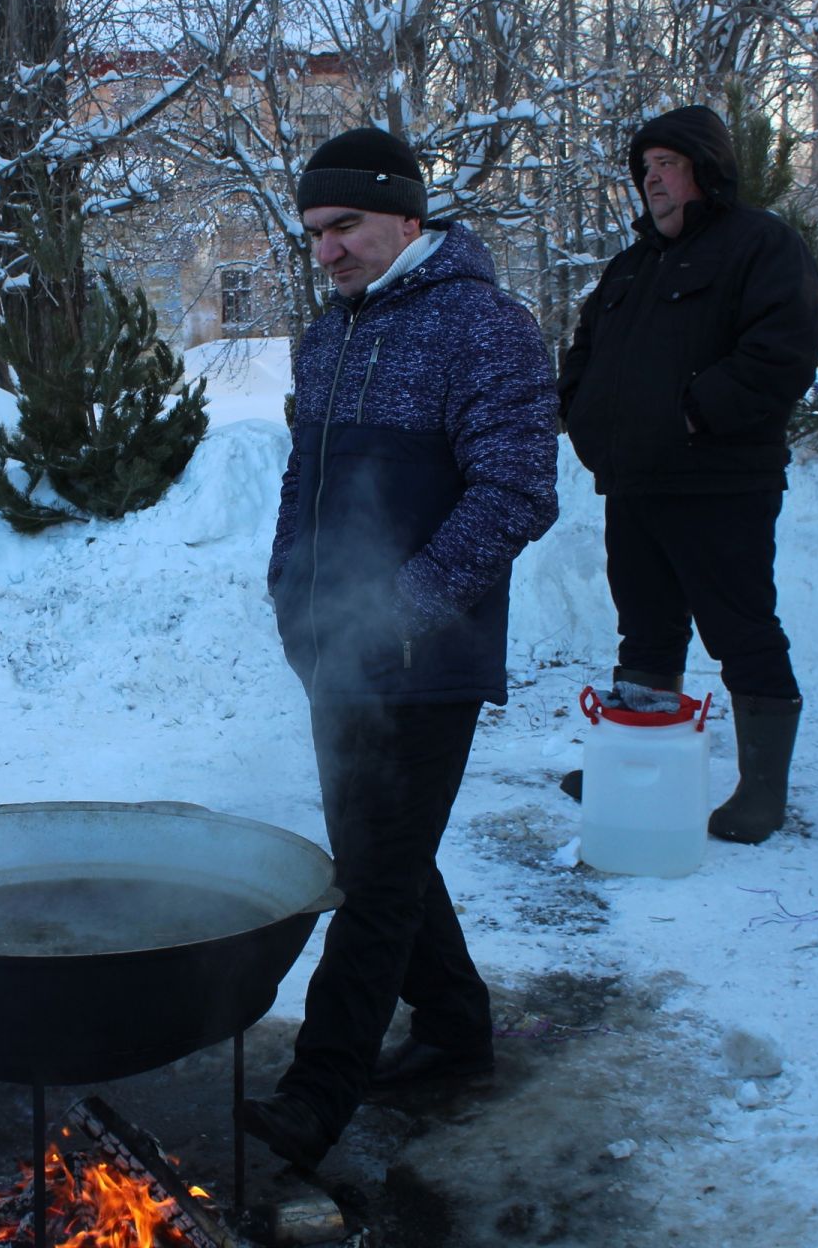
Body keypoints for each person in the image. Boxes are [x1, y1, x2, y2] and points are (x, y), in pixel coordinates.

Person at [246, 127, 560, 1169]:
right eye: (313, 233)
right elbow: (305, 479)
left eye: (344, 226)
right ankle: (456, 1018)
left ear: (407, 215)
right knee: (385, 850)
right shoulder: (328, 337)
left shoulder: (487, 328)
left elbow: (516, 492)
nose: (325, 251)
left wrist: (399, 610)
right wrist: (292, 588)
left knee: (374, 878)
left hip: (429, 656)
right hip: (331, 646)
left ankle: (317, 1089)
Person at [556, 104, 818, 844]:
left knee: (741, 627)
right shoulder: (631, 266)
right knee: (644, 629)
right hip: (634, 484)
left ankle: (761, 792)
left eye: (666, 166)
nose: (653, 182)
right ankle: (637, 757)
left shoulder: (760, 246)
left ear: (706, 169)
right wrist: (587, 421)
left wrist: (691, 416)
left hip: (721, 483)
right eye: (645, 171)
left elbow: (783, 352)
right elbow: (584, 354)